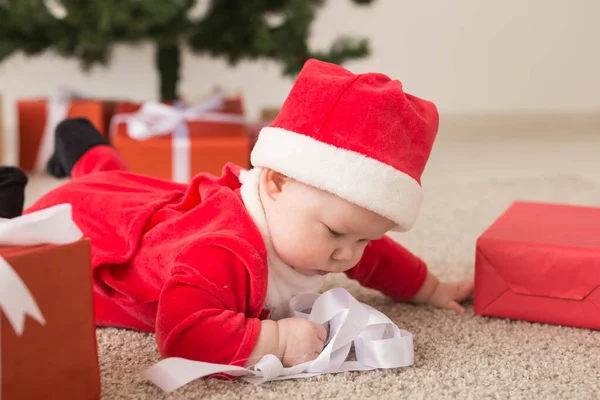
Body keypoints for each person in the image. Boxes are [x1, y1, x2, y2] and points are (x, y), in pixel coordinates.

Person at [23, 59, 473, 368]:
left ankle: (90, 153)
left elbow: (374, 253)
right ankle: (88, 155)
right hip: (88, 222)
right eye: (337, 234)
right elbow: (181, 335)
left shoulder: (326, 224)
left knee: (136, 188)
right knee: (101, 195)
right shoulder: (225, 250)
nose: (347, 257)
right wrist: (271, 340)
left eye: (362, 240)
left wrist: (427, 287)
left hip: (167, 206)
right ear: (273, 182)